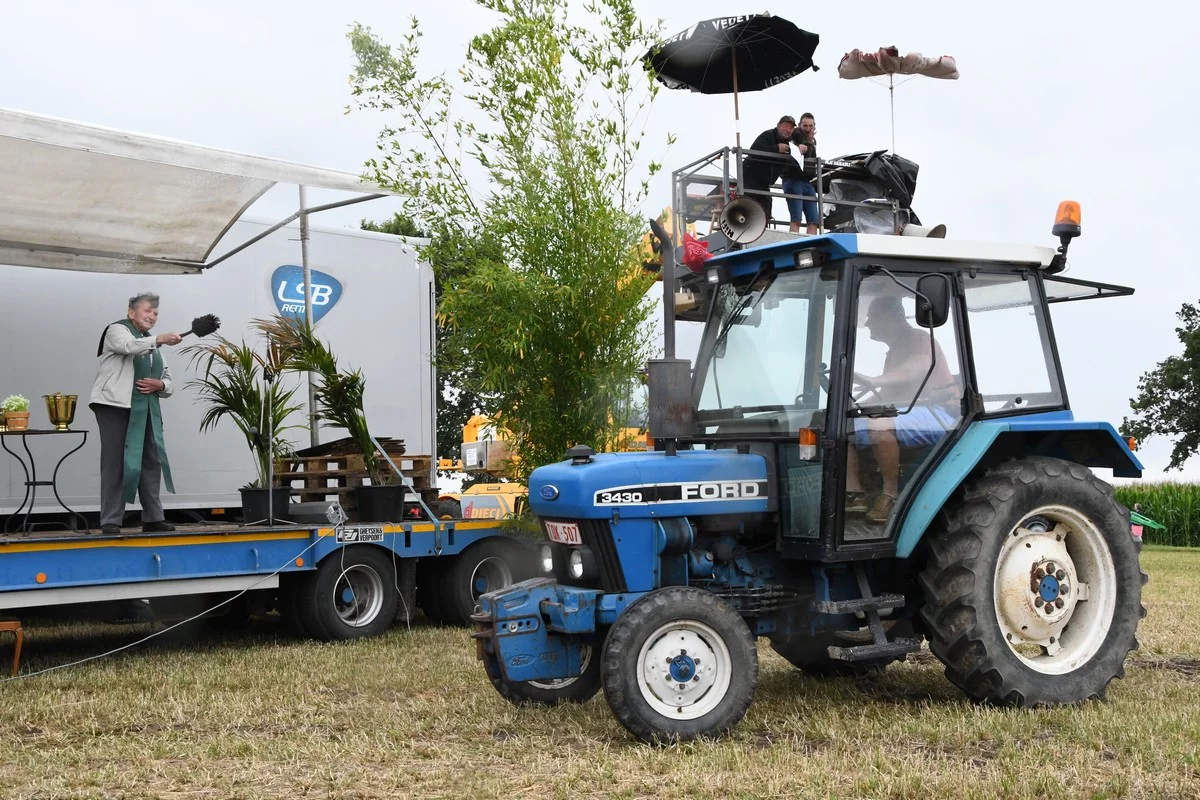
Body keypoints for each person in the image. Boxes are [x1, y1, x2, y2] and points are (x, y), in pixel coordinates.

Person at [845, 295, 959, 523]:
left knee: (879, 425)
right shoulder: (895, 349)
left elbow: (916, 369)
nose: (867, 323)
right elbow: (895, 392)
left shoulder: (916, 338)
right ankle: (854, 494)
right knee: (840, 426)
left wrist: (876, 380)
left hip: (940, 412)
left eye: (872, 317)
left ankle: (890, 495)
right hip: (912, 411)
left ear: (889, 317)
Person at [90, 293, 184, 535]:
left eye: (156, 313)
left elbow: (168, 380)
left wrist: (160, 385)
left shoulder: (152, 344)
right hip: (115, 406)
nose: (152, 316)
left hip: (147, 407)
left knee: (151, 461)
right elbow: (129, 347)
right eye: (147, 311)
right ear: (131, 312)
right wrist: (160, 339)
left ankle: (153, 518)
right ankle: (111, 520)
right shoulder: (117, 330)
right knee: (115, 463)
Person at [742, 115, 800, 220]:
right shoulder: (768, 135)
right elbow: (755, 150)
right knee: (747, 210)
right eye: (785, 126)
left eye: (791, 128)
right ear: (778, 126)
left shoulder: (791, 143)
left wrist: (802, 146)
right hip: (750, 179)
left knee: (765, 212)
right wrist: (776, 148)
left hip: (765, 184)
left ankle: (762, 231)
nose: (788, 130)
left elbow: (799, 156)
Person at [782, 112, 820, 235]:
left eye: (810, 126)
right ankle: (795, 245)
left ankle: (812, 245)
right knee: (796, 219)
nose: (808, 129)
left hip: (806, 182)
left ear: (814, 126)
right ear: (799, 125)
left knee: (814, 221)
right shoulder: (796, 134)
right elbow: (804, 152)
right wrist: (805, 145)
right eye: (805, 126)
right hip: (793, 180)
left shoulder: (810, 139)